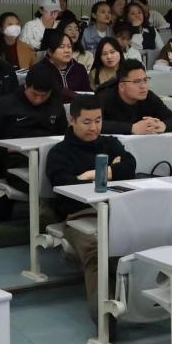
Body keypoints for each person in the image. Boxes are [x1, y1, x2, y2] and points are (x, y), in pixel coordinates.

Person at [45, 96, 137, 322]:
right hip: (80, 216)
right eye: (87, 122)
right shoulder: (59, 152)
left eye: (98, 120)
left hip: (118, 211)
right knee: (97, 253)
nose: (94, 127)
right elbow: (65, 186)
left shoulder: (109, 143)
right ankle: (105, 320)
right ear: (72, 120)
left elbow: (130, 165)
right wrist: (111, 172)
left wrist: (90, 175)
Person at [0, 65, 64, 205]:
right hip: (15, 163)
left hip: (49, 158)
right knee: (50, 186)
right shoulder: (4, 105)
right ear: (26, 86)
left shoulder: (55, 104)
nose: (38, 100)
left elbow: (64, 136)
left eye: (44, 96)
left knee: (67, 180)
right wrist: (9, 148)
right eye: (34, 94)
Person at [98, 59, 172, 135]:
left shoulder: (148, 96)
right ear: (122, 86)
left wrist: (162, 125)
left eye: (145, 80)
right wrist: (132, 128)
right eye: (137, 81)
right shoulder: (104, 97)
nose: (143, 86)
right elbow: (96, 125)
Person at [32, 28, 91, 103]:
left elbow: (87, 93)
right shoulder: (39, 70)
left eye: (69, 47)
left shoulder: (79, 69)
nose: (67, 51)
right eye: (61, 47)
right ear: (50, 52)